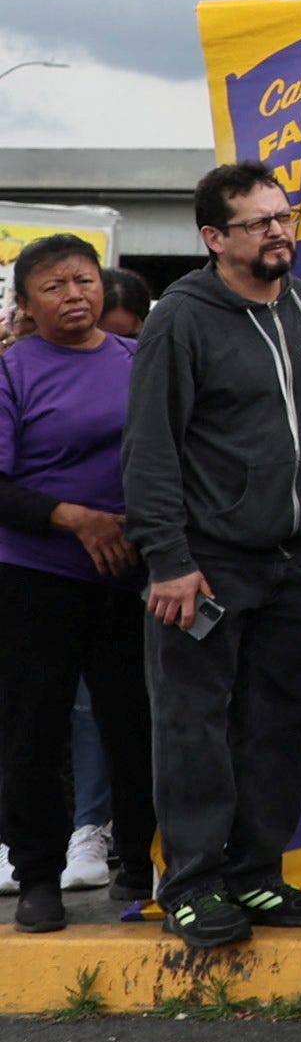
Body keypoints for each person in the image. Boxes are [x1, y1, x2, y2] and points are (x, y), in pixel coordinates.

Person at [122, 162, 301, 950]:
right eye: (259, 222)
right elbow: (150, 448)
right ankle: (190, 884)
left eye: (285, 216)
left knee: (278, 723)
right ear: (214, 237)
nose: (279, 231)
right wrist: (167, 559)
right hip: (205, 563)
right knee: (194, 725)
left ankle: (257, 870)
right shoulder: (180, 318)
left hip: (293, 560)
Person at [0, 234, 151, 931]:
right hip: (36, 575)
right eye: (55, 285)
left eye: (84, 279)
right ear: (26, 302)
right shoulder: (13, 370)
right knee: (34, 728)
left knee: (135, 724)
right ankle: (37, 875)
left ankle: (140, 864)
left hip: (131, 573)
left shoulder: (138, 359)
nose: (74, 294)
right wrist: (77, 519)